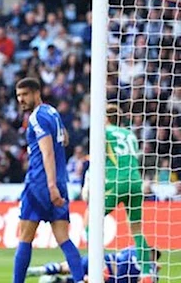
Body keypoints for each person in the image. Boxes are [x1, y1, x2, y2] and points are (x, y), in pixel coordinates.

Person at [12, 78, 84, 283]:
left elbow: (48, 153)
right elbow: (65, 138)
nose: (21, 99)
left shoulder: (36, 117)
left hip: (40, 184)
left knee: (25, 237)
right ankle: (80, 280)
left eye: (25, 94)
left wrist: (50, 186)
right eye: (18, 96)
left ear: (36, 93)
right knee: (64, 238)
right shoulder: (52, 112)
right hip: (60, 182)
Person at [82, 104, 154, 282]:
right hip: (136, 182)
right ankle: (146, 273)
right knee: (137, 229)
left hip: (116, 182)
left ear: (105, 118)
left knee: (90, 218)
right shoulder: (130, 135)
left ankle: (100, 267)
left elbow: (98, 160)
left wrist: (90, 183)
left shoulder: (103, 132)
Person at [27, 246, 161, 283]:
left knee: (73, 267)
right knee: (80, 273)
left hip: (104, 264)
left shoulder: (135, 249)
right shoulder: (150, 269)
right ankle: (55, 277)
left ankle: (50, 274)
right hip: (108, 270)